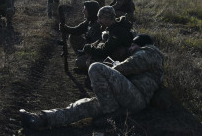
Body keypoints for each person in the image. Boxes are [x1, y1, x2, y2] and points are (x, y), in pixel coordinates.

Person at [20, 34, 164, 130]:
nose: (130, 49)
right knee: (82, 106)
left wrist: (111, 67)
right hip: (125, 99)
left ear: (142, 44)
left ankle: (111, 114)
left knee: (96, 68)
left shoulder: (151, 52)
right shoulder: (146, 56)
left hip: (135, 98)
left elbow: (129, 66)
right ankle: (40, 119)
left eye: (133, 45)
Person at [59, 0, 101, 70]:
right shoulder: (89, 21)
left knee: (79, 62)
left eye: (85, 9)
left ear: (91, 11)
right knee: (73, 36)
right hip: (88, 46)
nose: (83, 11)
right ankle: (82, 57)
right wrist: (65, 28)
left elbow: (97, 46)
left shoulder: (98, 25)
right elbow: (76, 30)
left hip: (94, 51)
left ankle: (88, 64)